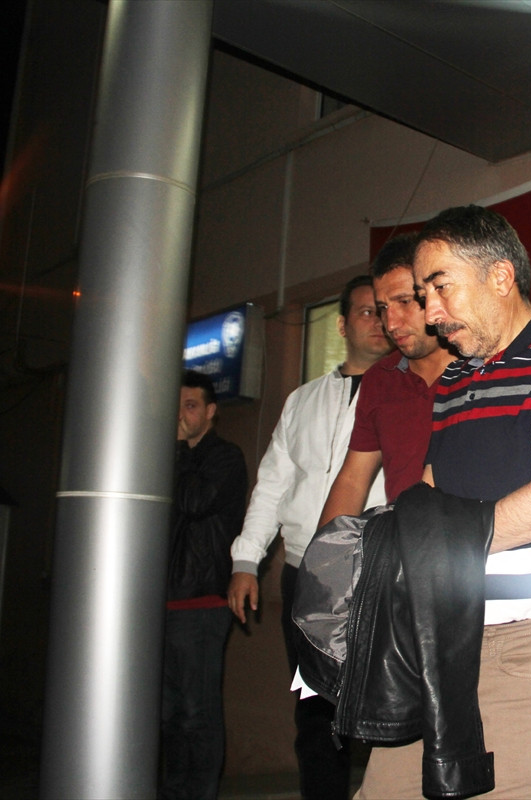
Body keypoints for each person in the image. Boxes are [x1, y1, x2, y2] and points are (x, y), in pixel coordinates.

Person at [354, 204, 531, 799]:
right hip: (442, 636)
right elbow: (428, 496)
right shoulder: (453, 380)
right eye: (424, 295)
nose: (431, 312)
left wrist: (452, 539)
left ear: (500, 276)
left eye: (439, 287)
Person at [227, 275, 391, 800]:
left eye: (385, 311)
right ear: (341, 325)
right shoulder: (302, 400)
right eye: (366, 311)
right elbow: (273, 484)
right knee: (316, 709)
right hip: (305, 575)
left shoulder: (410, 391)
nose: (379, 321)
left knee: (388, 703)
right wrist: (247, 561)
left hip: (378, 570)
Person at [317, 232, 455, 525]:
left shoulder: (483, 366)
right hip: (403, 547)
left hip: (485, 545)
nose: (390, 324)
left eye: (404, 301)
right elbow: (353, 480)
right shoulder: (379, 380)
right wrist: (323, 549)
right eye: (383, 308)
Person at [162, 370, 248, 800]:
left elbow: (195, 501)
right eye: (176, 406)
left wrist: (177, 450)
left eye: (191, 406)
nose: (180, 415)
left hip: (201, 603)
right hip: (163, 602)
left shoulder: (224, 457)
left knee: (197, 712)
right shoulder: (167, 459)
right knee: (167, 713)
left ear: (211, 411)